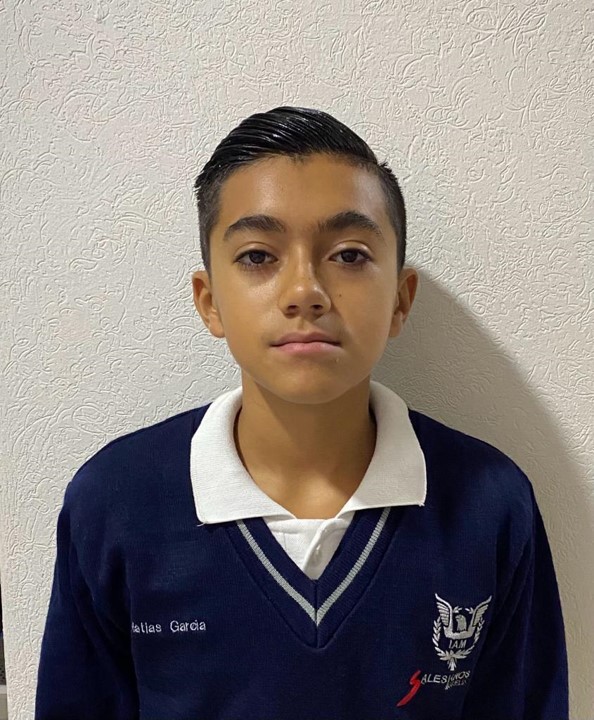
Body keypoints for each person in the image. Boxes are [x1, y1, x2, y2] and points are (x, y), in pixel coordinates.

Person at [35, 106, 569, 719]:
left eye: (349, 255)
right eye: (258, 256)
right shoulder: (115, 502)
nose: (304, 292)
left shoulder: (490, 504)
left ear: (400, 300)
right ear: (209, 302)